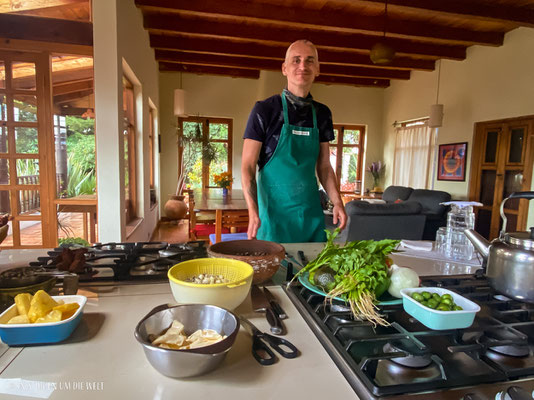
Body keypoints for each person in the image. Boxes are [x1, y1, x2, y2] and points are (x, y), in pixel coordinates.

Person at [241, 39, 347, 243]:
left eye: (309, 61)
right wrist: (253, 211)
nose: (302, 66)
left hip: (311, 216)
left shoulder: (322, 113)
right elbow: (247, 166)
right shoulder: (265, 111)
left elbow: (324, 167)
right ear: (284, 68)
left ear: (317, 69)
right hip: (272, 218)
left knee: (315, 273)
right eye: (296, 60)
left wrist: (337, 202)